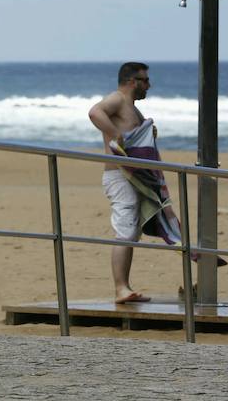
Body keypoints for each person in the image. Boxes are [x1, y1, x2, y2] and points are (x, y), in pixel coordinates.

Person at [88, 62, 155, 304]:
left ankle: (125, 287)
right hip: (118, 175)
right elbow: (95, 112)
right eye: (145, 80)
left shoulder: (134, 110)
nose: (149, 85)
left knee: (132, 232)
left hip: (134, 176)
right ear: (131, 81)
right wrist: (117, 136)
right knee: (125, 230)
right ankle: (120, 288)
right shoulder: (116, 99)